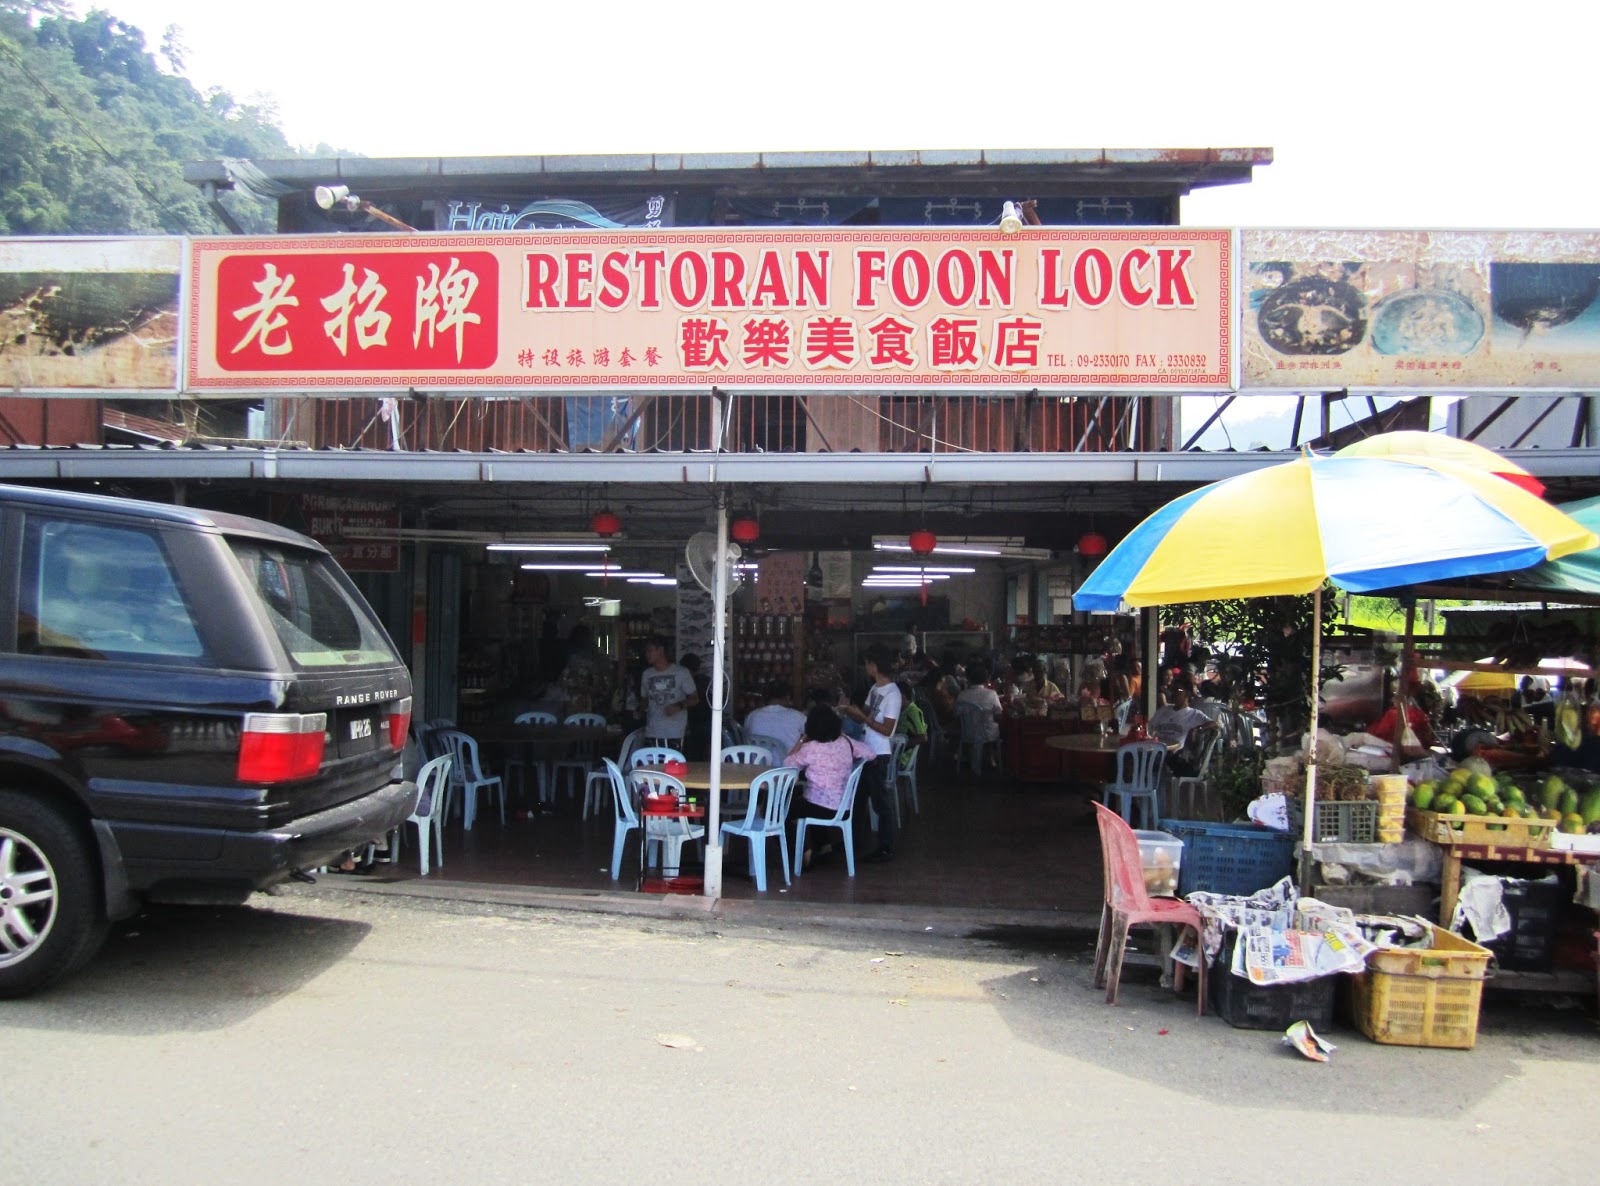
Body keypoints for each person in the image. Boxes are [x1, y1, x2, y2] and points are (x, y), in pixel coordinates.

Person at [785, 704, 875, 870]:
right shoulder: (847, 742)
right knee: (810, 798)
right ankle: (824, 847)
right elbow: (870, 753)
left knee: (782, 811)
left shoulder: (810, 749)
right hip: (843, 806)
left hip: (819, 807)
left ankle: (803, 855)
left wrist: (802, 739)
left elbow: (788, 764)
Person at [840, 646, 901, 862]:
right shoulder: (875, 688)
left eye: (867, 663)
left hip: (879, 753)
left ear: (875, 666)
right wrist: (849, 710)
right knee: (858, 799)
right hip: (866, 750)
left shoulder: (893, 694)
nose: (865, 667)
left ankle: (886, 846)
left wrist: (862, 718)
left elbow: (887, 730)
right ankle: (854, 841)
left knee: (880, 803)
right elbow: (863, 715)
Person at [639, 635, 698, 747]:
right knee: (652, 764)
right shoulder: (646, 674)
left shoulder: (681, 672)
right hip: (652, 731)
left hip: (674, 733)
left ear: (660, 650)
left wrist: (679, 706)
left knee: (673, 764)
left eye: (650, 650)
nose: (647, 654)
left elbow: (695, 698)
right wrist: (641, 707)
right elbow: (644, 699)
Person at [1146, 686, 1217, 776]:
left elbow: (1214, 724)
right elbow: (1150, 726)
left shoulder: (1194, 714)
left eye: (1179, 690)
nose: (1174, 693)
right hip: (1155, 747)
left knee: (1150, 761)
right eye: (1174, 690)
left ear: (1187, 695)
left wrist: (1198, 729)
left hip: (1173, 753)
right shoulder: (1164, 709)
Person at [955, 659, 1003, 769]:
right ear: (986, 679)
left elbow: (957, 715)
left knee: (983, 725)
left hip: (968, 733)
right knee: (991, 724)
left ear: (968, 679)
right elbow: (998, 715)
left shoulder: (962, 695)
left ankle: (969, 756)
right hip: (987, 734)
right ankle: (991, 758)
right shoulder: (992, 694)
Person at [744, 680, 806, 756]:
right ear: (788, 697)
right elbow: (812, 734)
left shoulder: (752, 716)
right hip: (787, 766)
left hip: (757, 765)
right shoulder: (798, 717)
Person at [894, 677, 929, 769]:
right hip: (895, 753)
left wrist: (901, 745)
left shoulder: (913, 712)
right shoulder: (900, 710)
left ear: (902, 696)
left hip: (902, 758)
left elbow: (923, 737)